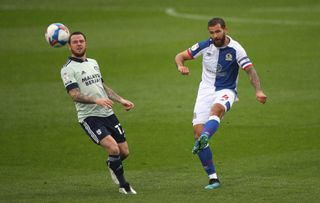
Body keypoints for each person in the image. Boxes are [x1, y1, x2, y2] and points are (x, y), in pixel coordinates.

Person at [175, 17, 267, 190]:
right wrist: (180, 66)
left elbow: (250, 70)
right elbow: (180, 56)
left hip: (226, 90)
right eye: (211, 33)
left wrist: (258, 91)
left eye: (218, 31)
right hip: (205, 91)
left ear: (226, 30)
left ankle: (205, 138)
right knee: (197, 133)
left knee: (216, 111)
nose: (215, 36)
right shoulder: (205, 45)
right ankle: (213, 179)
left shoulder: (236, 49)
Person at [60, 31, 137, 195]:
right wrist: (96, 100)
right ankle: (124, 186)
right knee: (113, 148)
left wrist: (121, 99)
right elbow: (74, 95)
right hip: (89, 117)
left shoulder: (93, 63)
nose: (79, 44)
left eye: (81, 41)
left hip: (108, 113)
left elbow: (102, 87)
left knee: (124, 152)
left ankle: (112, 164)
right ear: (69, 46)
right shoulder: (67, 69)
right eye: (75, 42)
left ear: (86, 43)